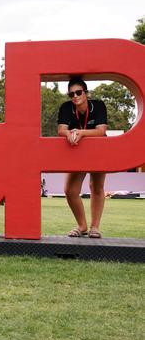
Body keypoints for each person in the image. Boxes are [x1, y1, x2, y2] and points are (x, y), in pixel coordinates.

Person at [57, 77, 108, 238]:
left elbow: (100, 131)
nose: (75, 96)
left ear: (86, 93)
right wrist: (69, 133)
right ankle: (82, 225)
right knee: (70, 190)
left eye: (78, 92)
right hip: (77, 150)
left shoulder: (98, 105)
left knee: (96, 187)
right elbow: (61, 130)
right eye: (71, 94)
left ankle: (95, 227)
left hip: (99, 150)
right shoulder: (66, 107)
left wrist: (79, 132)